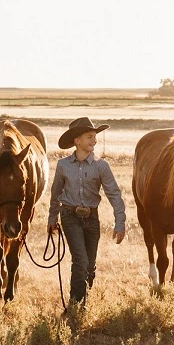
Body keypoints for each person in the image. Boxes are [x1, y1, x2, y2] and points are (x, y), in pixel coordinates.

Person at [47, 116, 126, 308]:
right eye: (90, 136)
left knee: (90, 266)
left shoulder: (101, 166)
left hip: (92, 218)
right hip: (70, 216)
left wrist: (120, 222)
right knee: (80, 262)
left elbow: (114, 194)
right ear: (77, 141)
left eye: (95, 137)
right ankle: (75, 307)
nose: (94, 140)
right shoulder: (63, 165)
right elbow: (56, 193)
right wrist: (52, 218)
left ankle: (85, 300)